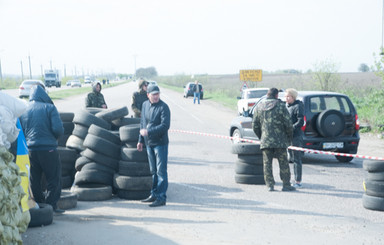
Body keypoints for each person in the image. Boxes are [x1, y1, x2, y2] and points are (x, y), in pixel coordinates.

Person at [19, 85, 65, 213]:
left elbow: (20, 131)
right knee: (53, 178)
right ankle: (51, 207)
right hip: (48, 149)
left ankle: (39, 205)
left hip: (30, 150)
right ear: (43, 94)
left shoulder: (24, 110)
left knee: (34, 178)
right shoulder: (49, 108)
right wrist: (55, 139)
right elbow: (58, 129)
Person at [252, 87, 295, 192]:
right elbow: (288, 124)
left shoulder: (259, 107)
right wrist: (289, 137)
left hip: (266, 140)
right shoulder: (281, 106)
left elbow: (255, 125)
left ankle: (270, 185)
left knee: (267, 163)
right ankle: (286, 184)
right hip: (280, 140)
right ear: (276, 95)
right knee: (283, 163)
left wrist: (261, 137)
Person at [137, 85, 171, 207]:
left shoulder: (164, 107)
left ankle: (161, 198)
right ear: (148, 95)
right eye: (153, 94)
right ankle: (154, 194)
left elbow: (165, 126)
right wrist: (140, 140)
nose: (156, 96)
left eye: (157, 94)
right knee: (153, 171)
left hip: (160, 144)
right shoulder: (145, 105)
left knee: (161, 172)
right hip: (148, 143)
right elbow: (142, 123)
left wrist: (149, 132)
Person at [285, 88, 304, 188]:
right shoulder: (286, 106)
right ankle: (288, 179)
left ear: (293, 97)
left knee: (297, 159)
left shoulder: (298, 106)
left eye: (288, 96)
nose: (286, 98)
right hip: (287, 136)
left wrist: (291, 128)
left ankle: (298, 181)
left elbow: (300, 122)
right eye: (285, 96)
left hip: (296, 136)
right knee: (289, 159)